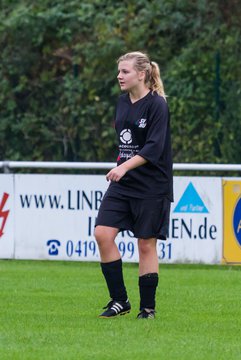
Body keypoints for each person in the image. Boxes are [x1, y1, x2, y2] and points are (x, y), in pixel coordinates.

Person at [94, 51, 173, 319]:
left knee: (145, 244)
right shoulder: (121, 102)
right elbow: (125, 144)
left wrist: (123, 167)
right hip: (124, 182)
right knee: (103, 234)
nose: (119, 76)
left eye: (125, 71)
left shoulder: (157, 105)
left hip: (152, 184)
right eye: (119, 71)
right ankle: (119, 301)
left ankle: (147, 309)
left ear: (142, 74)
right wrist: (122, 166)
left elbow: (154, 147)